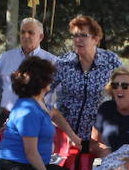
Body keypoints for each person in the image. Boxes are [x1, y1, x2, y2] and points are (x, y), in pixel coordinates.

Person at [52, 15, 122, 148]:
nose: (77, 39)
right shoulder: (63, 62)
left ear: (95, 39)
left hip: (97, 136)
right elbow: (41, 90)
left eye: (83, 35)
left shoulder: (110, 61)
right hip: (65, 135)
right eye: (75, 35)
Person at [0, 17, 58, 115]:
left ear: (41, 37)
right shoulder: (5, 58)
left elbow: (57, 94)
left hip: (38, 117)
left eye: (30, 33)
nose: (25, 35)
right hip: (7, 117)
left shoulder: (52, 61)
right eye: (22, 32)